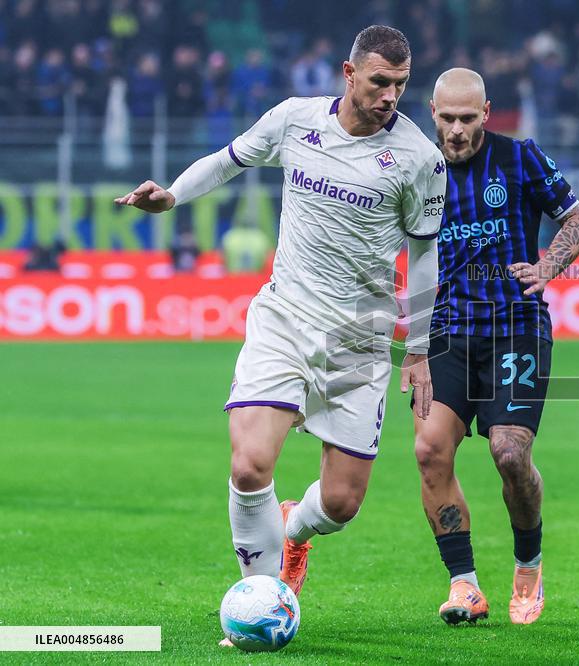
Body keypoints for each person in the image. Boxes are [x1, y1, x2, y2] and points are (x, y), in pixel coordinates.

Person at [114, 25, 445, 644]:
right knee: (249, 464)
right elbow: (228, 160)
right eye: (379, 82)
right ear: (348, 75)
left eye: (400, 85)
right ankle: (262, 607)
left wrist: (419, 347)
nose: (389, 96)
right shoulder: (295, 120)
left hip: (363, 337)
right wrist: (172, 196)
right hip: (285, 317)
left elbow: (424, 257)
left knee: (342, 505)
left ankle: (294, 527)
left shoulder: (419, 158)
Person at [414, 68, 579, 625]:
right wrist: (413, 346)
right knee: (429, 451)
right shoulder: (418, 171)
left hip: (515, 325)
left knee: (510, 455)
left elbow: (578, 224)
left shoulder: (520, 158)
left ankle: (528, 562)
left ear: (487, 113)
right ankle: (464, 585)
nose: (458, 130)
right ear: (432, 112)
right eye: (448, 118)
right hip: (447, 331)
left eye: (469, 119)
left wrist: (547, 266)